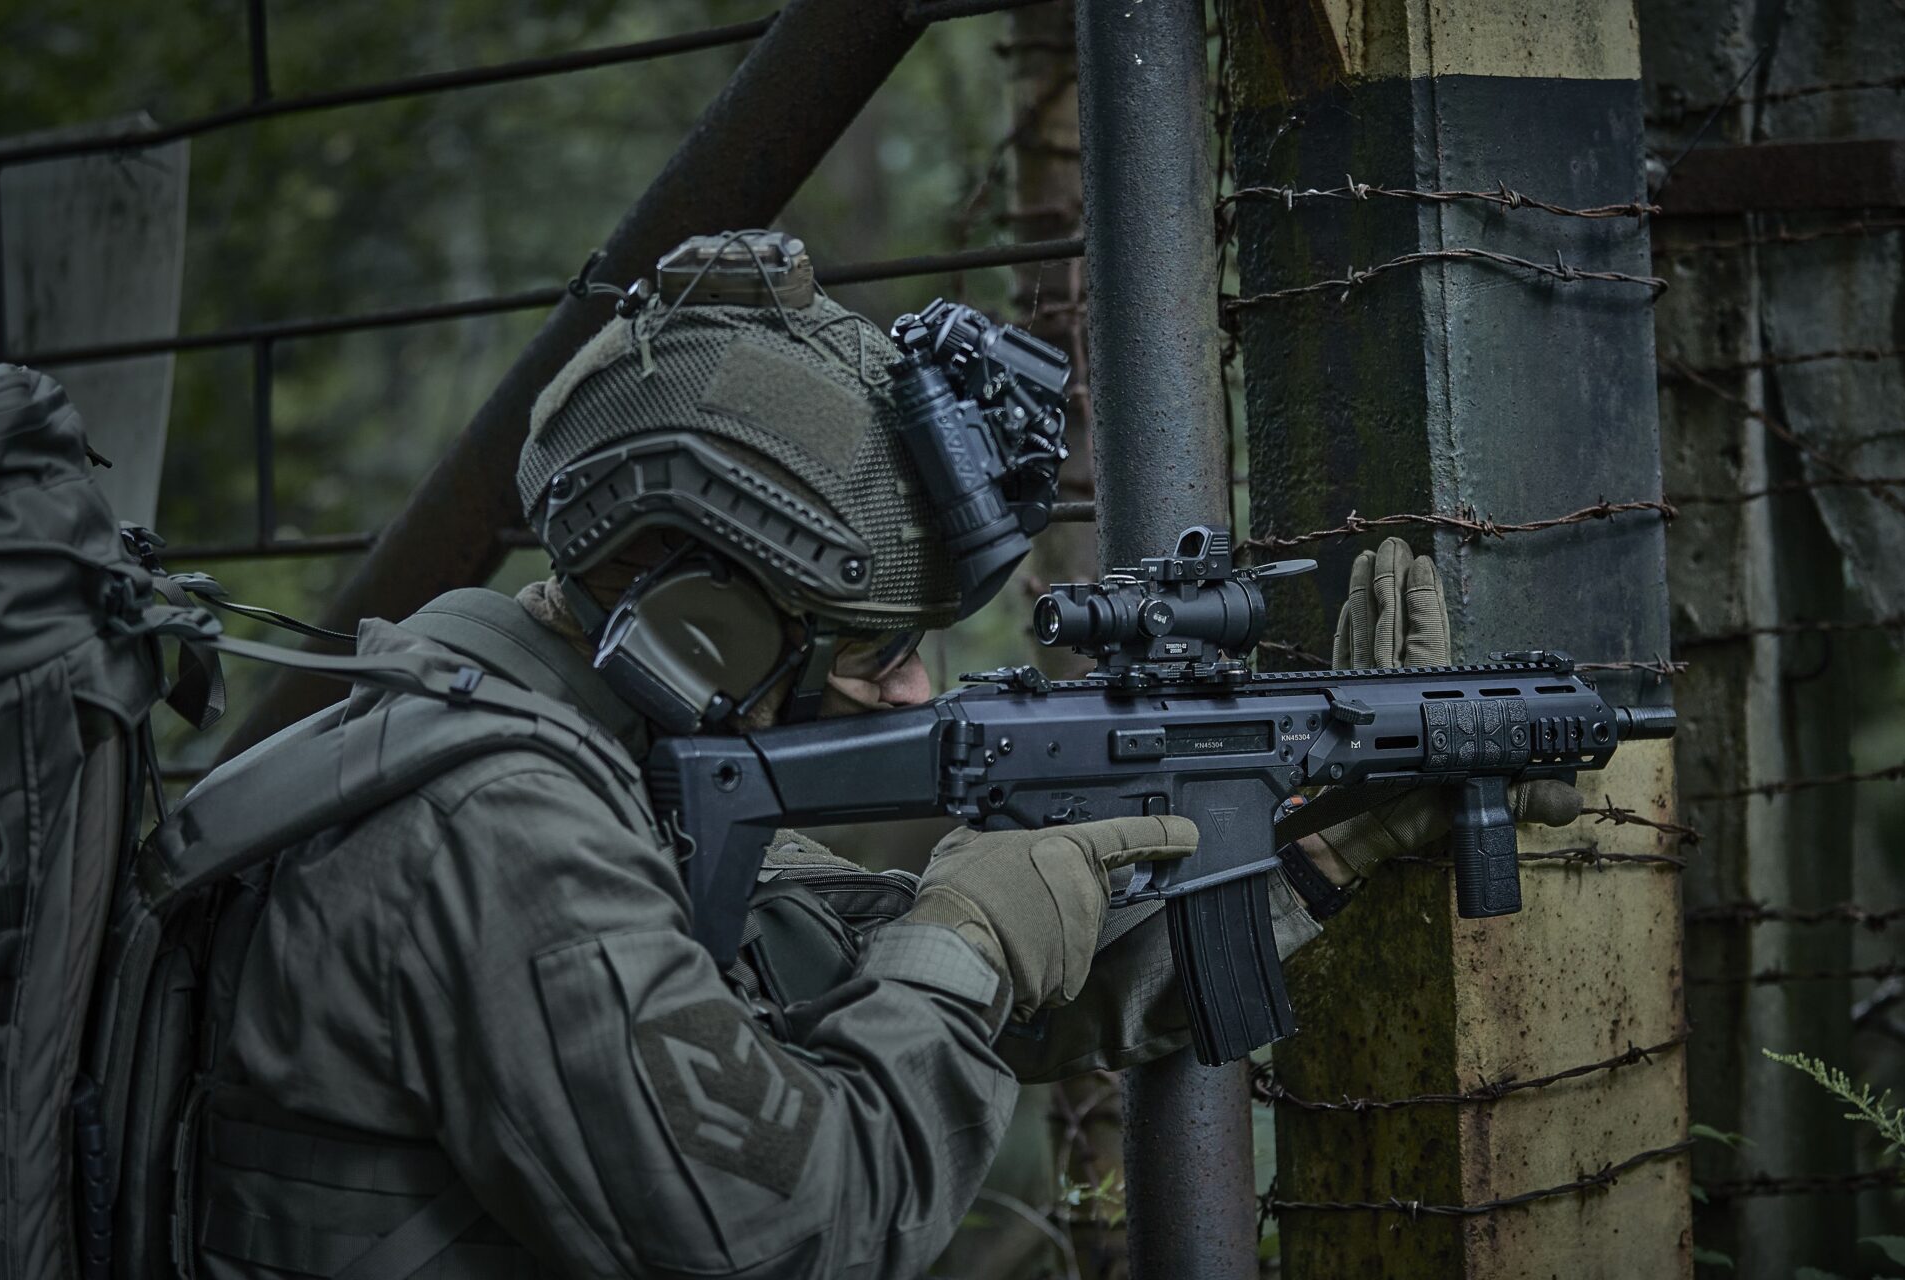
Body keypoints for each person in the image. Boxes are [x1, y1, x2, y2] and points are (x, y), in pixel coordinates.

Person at [187, 232, 1575, 1279]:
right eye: (869, 646)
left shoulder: (586, 765)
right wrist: (965, 938)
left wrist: (1324, 842)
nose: (914, 684)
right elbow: (786, 1228)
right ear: (703, 629)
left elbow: (892, 996)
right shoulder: (498, 834)